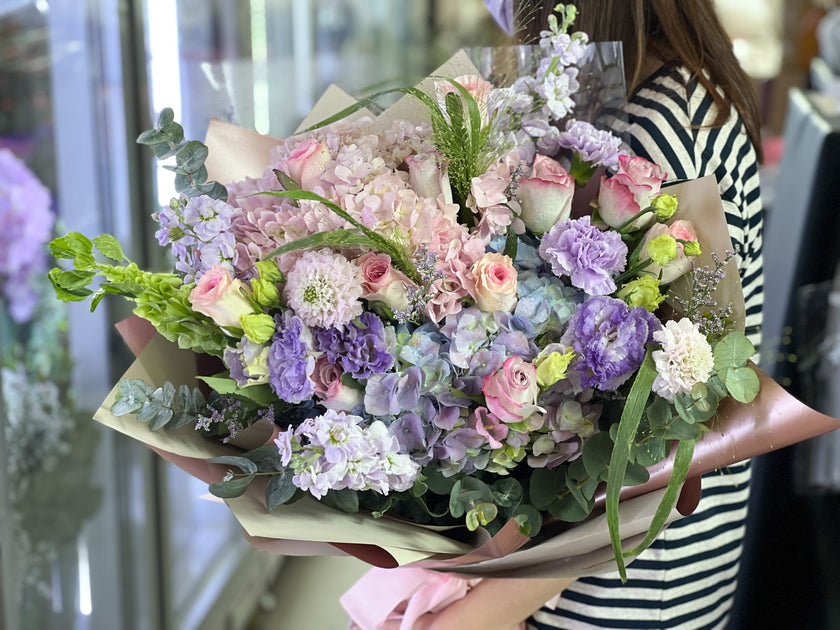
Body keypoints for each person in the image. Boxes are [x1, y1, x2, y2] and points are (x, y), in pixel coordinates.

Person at [407, 1, 765, 627]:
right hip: (618, 563)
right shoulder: (660, 90)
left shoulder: (657, 132)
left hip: (627, 579)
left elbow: (636, 437)